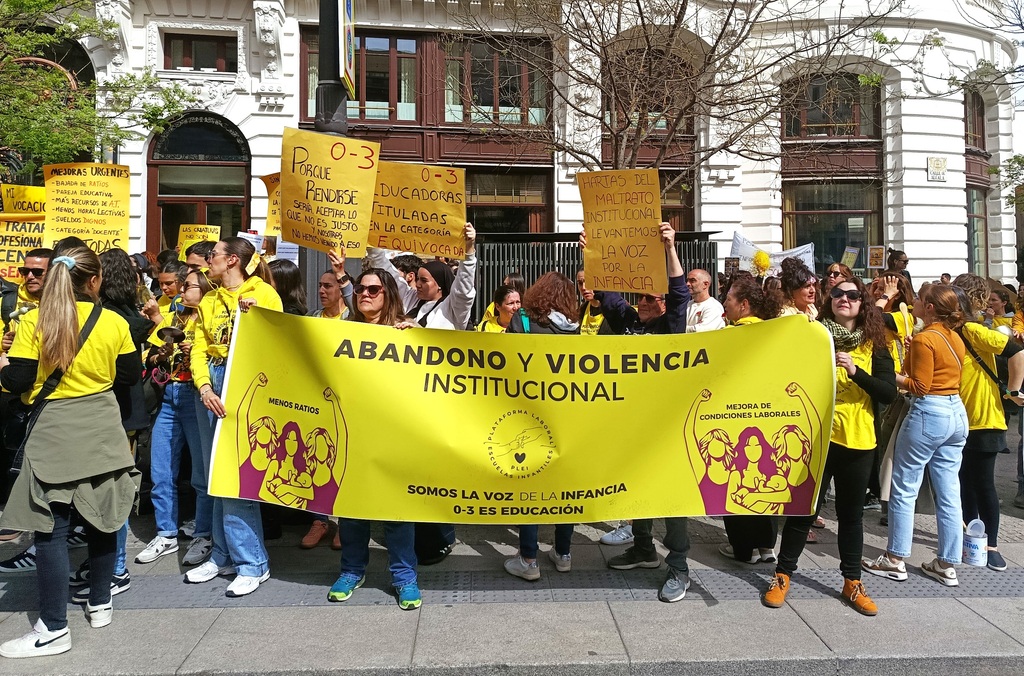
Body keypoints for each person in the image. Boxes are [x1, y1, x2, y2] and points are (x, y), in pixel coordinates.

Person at [0, 247, 139, 657]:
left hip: (54, 431)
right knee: (103, 519)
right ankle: (100, 603)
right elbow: (130, 375)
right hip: (101, 427)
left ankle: (54, 628)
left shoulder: (34, 320)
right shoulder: (113, 321)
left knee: (51, 530)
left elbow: (17, 379)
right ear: (94, 281)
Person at [762, 277, 896, 616]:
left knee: (850, 517)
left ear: (862, 303)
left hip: (858, 439)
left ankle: (852, 582)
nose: (844, 299)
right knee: (802, 510)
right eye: (837, 294)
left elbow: (888, 393)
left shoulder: (876, 344)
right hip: (815, 438)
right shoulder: (813, 335)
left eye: (852, 295)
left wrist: (855, 372)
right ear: (829, 299)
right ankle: (782, 575)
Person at [585, 223, 695, 602]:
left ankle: (679, 566)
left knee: (671, 498)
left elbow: (681, 294)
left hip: (668, 428)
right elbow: (607, 289)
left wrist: (670, 248)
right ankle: (644, 548)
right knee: (640, 491)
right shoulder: (628, 320)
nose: (647, 303)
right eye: (643, 298)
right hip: (635, 426)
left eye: (654, 299)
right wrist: (593, 250)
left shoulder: (671, 327)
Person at [188, 237, 282, 597]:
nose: (205, 261)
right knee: (215, 474)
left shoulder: (264, 293)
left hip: (242, 378)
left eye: (211, 256)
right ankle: (223, 553)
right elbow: (198, 346)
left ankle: (252, 562)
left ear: (231, 261)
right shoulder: (210, 299)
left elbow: (277, 340)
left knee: (236, 473)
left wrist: (255, 315)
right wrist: (204, 388)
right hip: (211, 381)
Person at [863, 284, 968, 587]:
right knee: (948, 492)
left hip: (929, 413)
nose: (916, 303)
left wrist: (886, 374)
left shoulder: (925, 338)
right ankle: (947, 563)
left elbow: (919, 386)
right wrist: (913, 352)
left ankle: (895, 559)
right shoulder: (954, 337)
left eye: (921, 300)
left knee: (904, 487)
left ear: (931, 308)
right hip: (955, 412)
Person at [329, 269, 422, 610]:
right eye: (360, 289)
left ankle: (404, 578)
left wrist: (421, 336)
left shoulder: (406, 331)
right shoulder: (342, 331)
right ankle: (352, 571)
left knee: (397, 513)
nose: (364, 294)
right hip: (353, 433)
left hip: (394, 435)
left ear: (388, 294)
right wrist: (250, 315)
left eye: (373, 289)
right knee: (353, 511)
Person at [502, 272, 579, 580]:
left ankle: (529, 559)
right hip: (567, 415)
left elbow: (505, 360)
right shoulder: (574, 330)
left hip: (530, 415)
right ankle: (563, 553)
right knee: (565, 487)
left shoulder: (522, 320)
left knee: (530, 486)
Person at [951, 274, 1024, 572]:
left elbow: (1017, 350)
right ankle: (972, 535)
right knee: (965, 479)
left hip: (984, 418)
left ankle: (991, 545)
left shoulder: (972, 329)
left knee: (982, 483)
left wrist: (1015, 391)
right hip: (961, 416)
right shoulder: (956, 328)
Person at [717, 272, 783, 564]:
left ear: (743, 305)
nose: (724, 304)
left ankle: (743, 549)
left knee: (738, 480)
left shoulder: (730, 337)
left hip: (735, 420)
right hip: (767, 419)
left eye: (728, 299)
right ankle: (767, 546)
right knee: (765, 476)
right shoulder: (776, 332)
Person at [365, 224, 477, 330]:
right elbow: (387, 271)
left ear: (439, 285)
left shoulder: (453, 309)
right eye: (418, 279)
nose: (418, 284)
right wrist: (371, 241)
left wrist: (469, 250)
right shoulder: (411, 298)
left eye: (424, 280)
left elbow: (463, 288)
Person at [308, 251, 353, 321]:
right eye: (320, 286)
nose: (321, 291)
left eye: (327, 286)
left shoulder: (352, 317)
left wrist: (340, 274)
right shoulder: (311, 317)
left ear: (341, 290)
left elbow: (355, 307)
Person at [575, 269, 608, 336]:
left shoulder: (615, 311)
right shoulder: (581, 311)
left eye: (588, 282)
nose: (583, 287)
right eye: (580, 283)